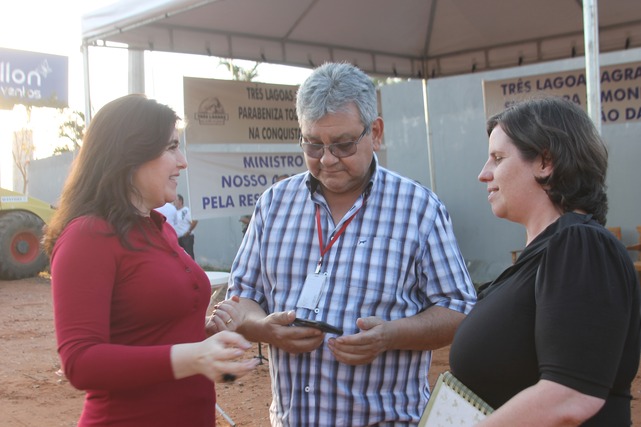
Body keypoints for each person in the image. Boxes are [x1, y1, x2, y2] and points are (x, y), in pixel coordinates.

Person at [209, 62, 477, 426]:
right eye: (313, 145)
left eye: (343, 144)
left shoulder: (418, 208)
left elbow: (458, 310)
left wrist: (390, 336)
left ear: (376, 132)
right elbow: (242, 298)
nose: (328, 159)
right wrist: (264, 328)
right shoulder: (274, 203)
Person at [42, 94, 259, 427]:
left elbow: (150, 336)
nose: (183, 161)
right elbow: (80, 361)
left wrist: (206, 336)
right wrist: (195, 356)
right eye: (171, 147)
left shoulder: (160, 229)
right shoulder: (88, 235)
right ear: (131, 154)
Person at [449, 96, 641, 426]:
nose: (484, 174)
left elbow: (568, 397)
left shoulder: (581, 246)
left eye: (497, 158)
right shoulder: (548, 254)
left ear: (545, 162)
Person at [174, 193, 198, 259]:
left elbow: (194, 221)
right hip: (177, 239)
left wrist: (188, 231)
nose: (174, 202)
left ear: (180, 201)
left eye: (175, 200)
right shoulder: (174, 211)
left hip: (186, 238)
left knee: (188, 256)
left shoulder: (186, 210)